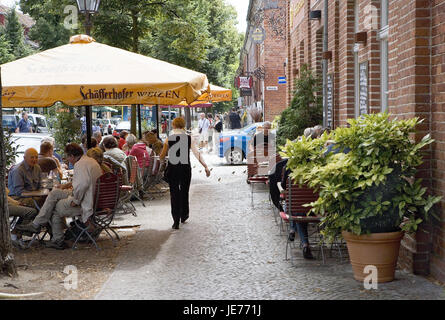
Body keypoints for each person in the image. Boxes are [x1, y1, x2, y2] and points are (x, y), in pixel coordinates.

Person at [17, 143, 103, 250]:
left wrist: (75, 201)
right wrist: (66, 185)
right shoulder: (90, 161)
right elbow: (84, 181)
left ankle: (57, 239)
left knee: (55, 207)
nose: (67, 159)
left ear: (72, 156)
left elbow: (83, 184)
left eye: (67, 156)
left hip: (85, 200)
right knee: (54, 193)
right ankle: (36, 223)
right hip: (92, 197)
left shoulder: (79, 165)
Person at [160, 117, 211, 229]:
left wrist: (164, 157)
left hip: (173, 168)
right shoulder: (188, 138)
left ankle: (175, 221)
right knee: (184, 191)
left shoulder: (169, 139)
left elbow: (162, 156)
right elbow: (197, 153)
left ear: (173, 125)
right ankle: (184, 215)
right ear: (183, 125)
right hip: (185, 168)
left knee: (174, 194)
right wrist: (205, 166)